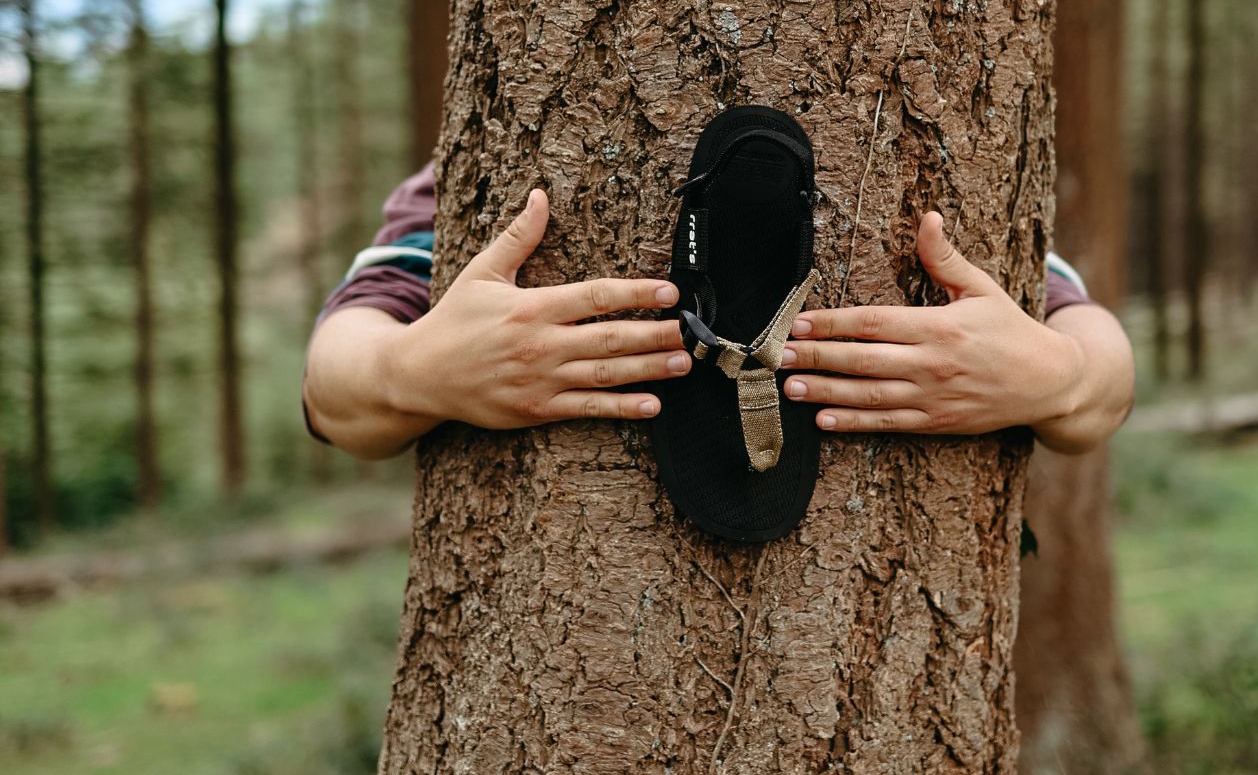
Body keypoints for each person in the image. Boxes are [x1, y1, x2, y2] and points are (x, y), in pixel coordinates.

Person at [302, 164, 1134, 460]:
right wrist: (407, 369)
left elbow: (1103, 378)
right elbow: (334, 394)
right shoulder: (472, 177)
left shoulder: (955, 176)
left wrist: (1061, 374)